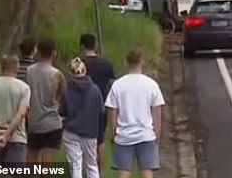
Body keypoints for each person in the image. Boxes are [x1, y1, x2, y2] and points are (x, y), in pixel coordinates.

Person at [105, 49, 165, 178]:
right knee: (147, 171)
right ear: (142, 62)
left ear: (126, 62)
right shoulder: (151, 85)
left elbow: (113, 113)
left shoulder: (117, 85)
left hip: (124, 136)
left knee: (124, 172)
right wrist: (157, 136)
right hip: (146, 135)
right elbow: (157, 114)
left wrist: (114, 133)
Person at [60, 57, 104, 178]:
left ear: (71, 72)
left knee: (75, 166)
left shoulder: (67, 89)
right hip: (90, 132)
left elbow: (62, 111)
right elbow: (101, 111)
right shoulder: (95, 90)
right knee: (92, 165)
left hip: (71, 131)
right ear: (85, 71)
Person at [26, 37, 65, 163]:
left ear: (37, 51)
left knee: (31, 155)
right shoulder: (56, 74)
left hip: (33, 120)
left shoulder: (29, 71)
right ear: (54, 53)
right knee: (48, 155)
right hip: (51, 121)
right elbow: (59, 96)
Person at [80, 33, 116, 169]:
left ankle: (86, 171)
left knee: (82, 141)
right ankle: (99, 171)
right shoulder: (106, 64)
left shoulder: (79, 63)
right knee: (100, 140)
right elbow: (112, 84)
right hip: (101, 106)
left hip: (81, 108)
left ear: (82, 46)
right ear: (94, 45)